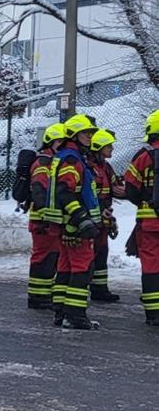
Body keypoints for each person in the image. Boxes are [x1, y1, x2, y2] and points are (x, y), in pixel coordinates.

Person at [51, 112, 102, 330]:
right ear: (73, 135)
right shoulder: (72, 159)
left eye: (91, 133)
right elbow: (66, 192)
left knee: (66, 267)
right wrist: (82, 219)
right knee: (82, 268)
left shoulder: (69, 157)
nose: (90, 137)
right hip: (76, 224)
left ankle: (62, 313)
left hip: (67, 224)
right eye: (86, 134)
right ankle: (76, 316)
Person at [22, 122, 66, 310]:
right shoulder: (43, 162)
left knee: (52, 256)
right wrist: (47, 213)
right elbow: (40, 189)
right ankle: (37, 296)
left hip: (49, 219)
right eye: (60, 142)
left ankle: (44, 293)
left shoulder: (53, 161)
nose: (63, 145)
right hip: (42, 220)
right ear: (51, 142)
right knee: (43, 257)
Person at [122, 109, 159, 327]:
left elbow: (130, 189)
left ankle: (154, 313)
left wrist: (145, 203)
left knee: (152, 266)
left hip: (149, 223)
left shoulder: (143, 157)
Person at [87, 129, 120, 303]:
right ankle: (76, 287)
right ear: (99, 146)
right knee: (86, 254)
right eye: (109, 146)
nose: (112, 148)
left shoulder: (106, 167)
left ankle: (100, 289)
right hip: (90, 217)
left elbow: (116, 187)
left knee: (101, 252)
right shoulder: (88, 166)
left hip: (103, 216)